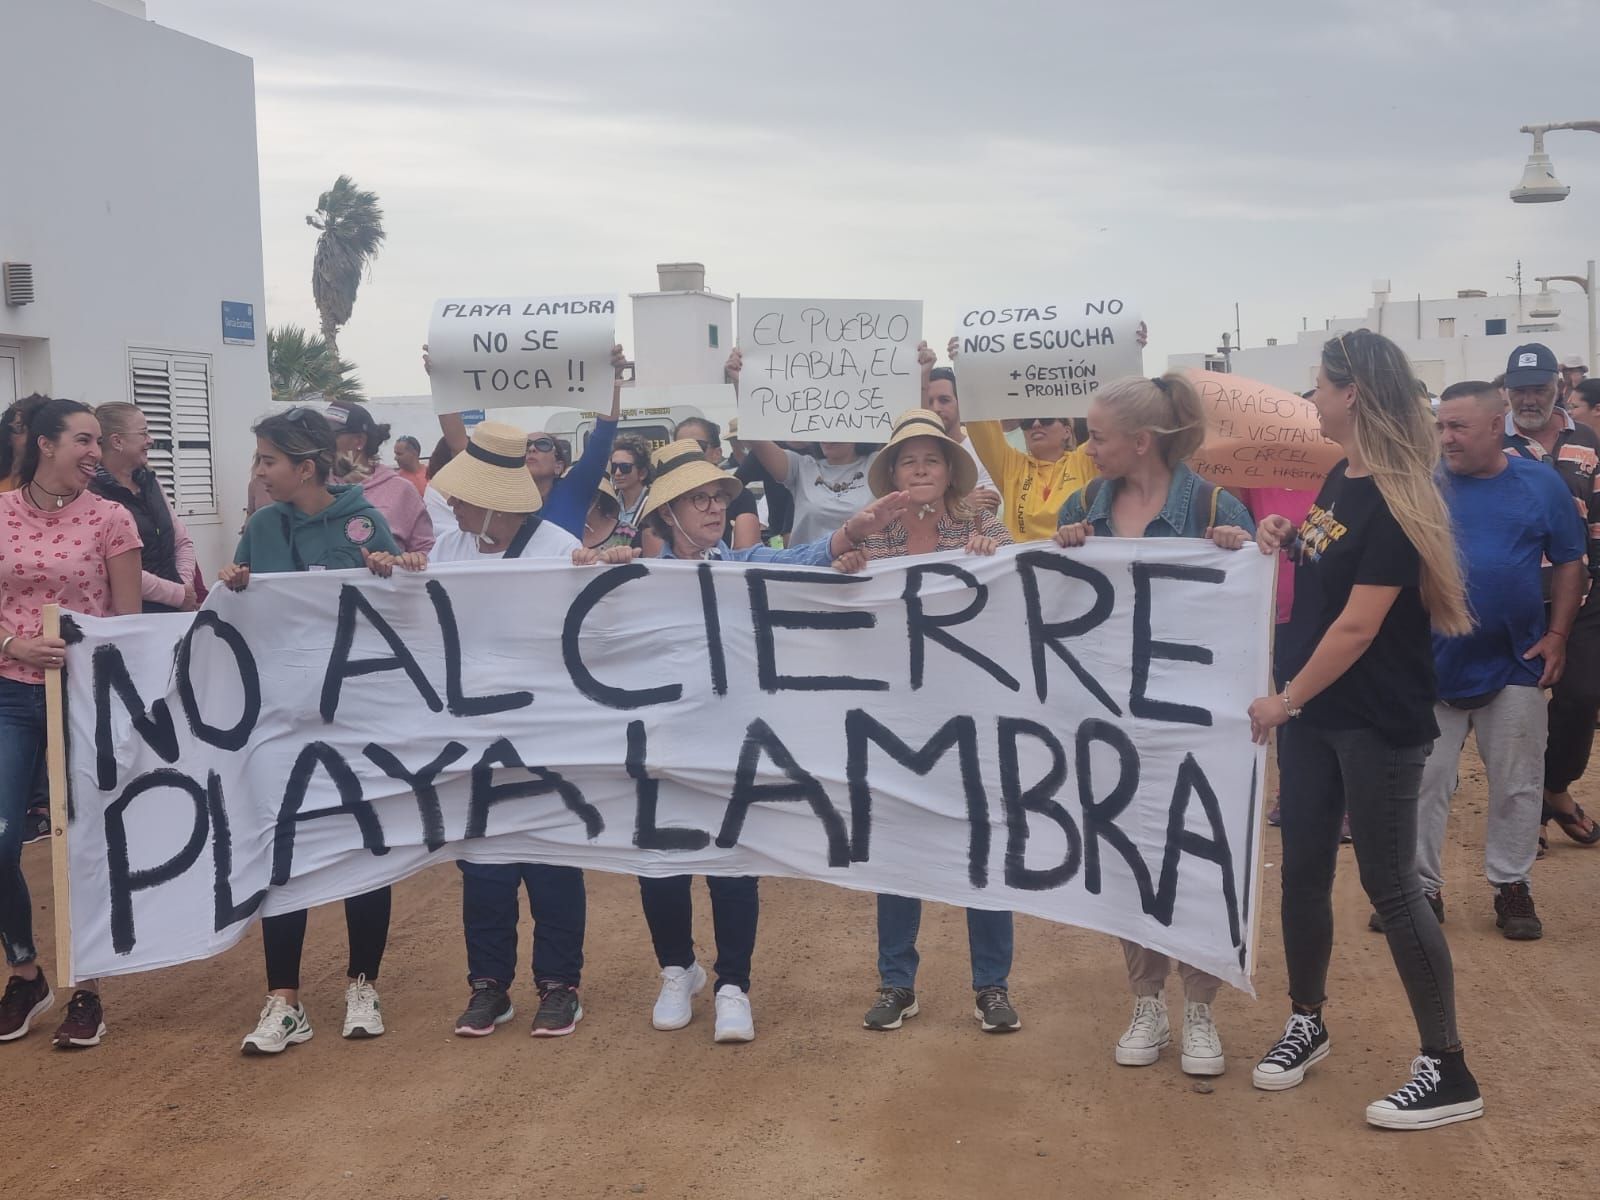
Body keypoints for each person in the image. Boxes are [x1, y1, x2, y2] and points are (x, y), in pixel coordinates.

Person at [1247, 329, 1483, 1130]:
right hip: (1318, 717)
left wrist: (1285, 701)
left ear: (1354, 394)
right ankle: (1306, 1021)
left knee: (1392, 887)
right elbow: (1324, 574)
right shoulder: (1339, 477)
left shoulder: (1392, 490)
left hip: (1373, 721)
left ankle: (1449, 1068)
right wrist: (1284, 539)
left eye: (1318, 384)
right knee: (1304, 871)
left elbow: (1356, 626)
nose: (1310, 398)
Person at [637, 438, 910, 1043]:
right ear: (664, 513)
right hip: (658, 742)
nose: (713, 508)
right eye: (697, 499)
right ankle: (677, 969)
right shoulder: (628, 576)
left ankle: (734, 983)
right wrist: (583, 565)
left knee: (733, 859)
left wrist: (850, 534)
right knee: (659, 863)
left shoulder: (740, 565)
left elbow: (806, 558)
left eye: (718, 497)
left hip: (733, 741)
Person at [1052, 375, 1256, 1077]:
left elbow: (1245, 621)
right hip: (1111, 718)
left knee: (1197, 853)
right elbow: (1056, 607)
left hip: (1196, 718)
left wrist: (1236, 551)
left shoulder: (1213, 507)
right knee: (1125, 854)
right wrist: (1066, 553)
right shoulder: (1083, 507)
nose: (1087, 446)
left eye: (1098, 435)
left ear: (1141, 442)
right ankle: (1147, 1001)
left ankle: (1199, 1009)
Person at [414, 421, 630, 1039]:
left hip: (547, 730)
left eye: (461, 497)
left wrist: (603, 573)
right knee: (482, 860)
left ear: (491, 500)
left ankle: (559, 985)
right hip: (473, 732)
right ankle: (489, 985)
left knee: (551, 859)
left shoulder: (558, 550)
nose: (451, 505)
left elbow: (604, 628)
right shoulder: (450, 549)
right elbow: (414, 610)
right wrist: (396, 572)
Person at [222, 406, 423, 1056]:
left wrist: (396, 575)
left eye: (267, 461)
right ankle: (284, 1000)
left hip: (359, 715)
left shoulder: (365, 522)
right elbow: (237, 607)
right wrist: (235, 586)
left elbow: (405, 609)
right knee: (285, 850)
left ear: (306, 466)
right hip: (282, 718)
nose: (259, 472)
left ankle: (363, 984)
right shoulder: (262, 527)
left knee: (366, 844)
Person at [829, 410, 1020, 1035]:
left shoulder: (981, 525)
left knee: (981, 844)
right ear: (892, 471)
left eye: (931, 460)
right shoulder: (871, 532)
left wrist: (996, 553)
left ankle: (991, 985)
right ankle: (896, 983)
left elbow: (1021, 589)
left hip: (971, 709)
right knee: (896, 846)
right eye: (908, 460)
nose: (919, 469)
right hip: (895, 714)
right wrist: (848, 571)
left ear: (948, 471)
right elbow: (837, 595)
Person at [1395, 381, 1583, 942]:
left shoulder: (1540, 484)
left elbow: (1572, 560)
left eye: (1458, 427)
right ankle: (1422, 888)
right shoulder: (1421, 485)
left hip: (1517, 661)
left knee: (1518, 783)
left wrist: (1557, 634)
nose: (1446, 438)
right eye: (1441, 426)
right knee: (1426, 782)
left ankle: (1511, 885)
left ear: (1496, 425)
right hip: (1431, 663)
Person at [0, 398, 142, 1047]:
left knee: (83, 845)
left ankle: (89, 988)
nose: (96, 451)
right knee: (1, 840)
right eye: (83, 440)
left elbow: (129, 626)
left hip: (84, 701)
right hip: (10, 694)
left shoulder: (113, 519)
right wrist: (12, 647)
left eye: (97, 441)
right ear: (44, 444)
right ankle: (26, 973)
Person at [1498, 344, 1600, 848]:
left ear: (1558, 387)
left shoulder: (1587, 440)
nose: (1529, 398)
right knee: (1522, 710)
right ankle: (1530, 818)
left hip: (1581, 592)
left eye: (1538, 388)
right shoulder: (1492, 442)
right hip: (1516, 595)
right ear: (1507, 391)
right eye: (1520, 389)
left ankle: (1553, 789)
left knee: (1581, 697)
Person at [424, 343, 628, 537]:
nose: (532, 449)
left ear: (559, 466)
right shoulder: (498, 495)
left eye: (543, 444)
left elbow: (602, 438)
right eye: (525, 446)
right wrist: (442, 381)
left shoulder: (575, 489)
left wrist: (612, 381)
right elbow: (459, 445)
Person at [945, 337, 1097, 542]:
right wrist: (965, 368)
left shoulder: (1086, 459)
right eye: (1027, 421)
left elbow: (1118, 420)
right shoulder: (1012, 466)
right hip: (1024, 569)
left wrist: (1126, 349)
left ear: (1067, 431)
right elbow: (981, 422)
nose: (1035, 424)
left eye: (1046, 419)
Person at [726, 350, 880, 547]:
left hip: (867, 572)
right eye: (820, 421)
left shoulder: (878, 464)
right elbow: (755, 437)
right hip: (808, 573)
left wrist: (922, 378)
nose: (826, 432)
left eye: (835, 422)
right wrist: (741, 381)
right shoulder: (801, 467)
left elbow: (917, 437)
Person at [89, 402, 198, 613]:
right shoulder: (93, 494)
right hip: (132, 614)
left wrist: (184, 586)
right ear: (117, 441)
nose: (150, 440)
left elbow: (182, 541)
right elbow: (117, 570)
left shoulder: (149, 482)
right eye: (144, 433)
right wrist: (176, 594)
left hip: (175, 609)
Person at [328, 401, 434, 555]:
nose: (322, 441)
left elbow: (426, 550)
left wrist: (402, 562)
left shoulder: (401, 490)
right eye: (318, 434)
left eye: (331, 434)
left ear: (359, 441)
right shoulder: (314, 486)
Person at [917, 352, 1001, 514]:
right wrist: (960, 501)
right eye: (929, 402)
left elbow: (988, 508)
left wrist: (931, 504)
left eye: (944, 400)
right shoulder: (913, 454)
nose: (936, 408)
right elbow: (910, 508)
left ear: (960, 403)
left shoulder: (982, 452)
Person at [608, 435, 654, 538]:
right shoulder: (608, 503)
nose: (617, 473)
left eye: (625, 467)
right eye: (614, 467)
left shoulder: (654, 505)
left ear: (642, 473)